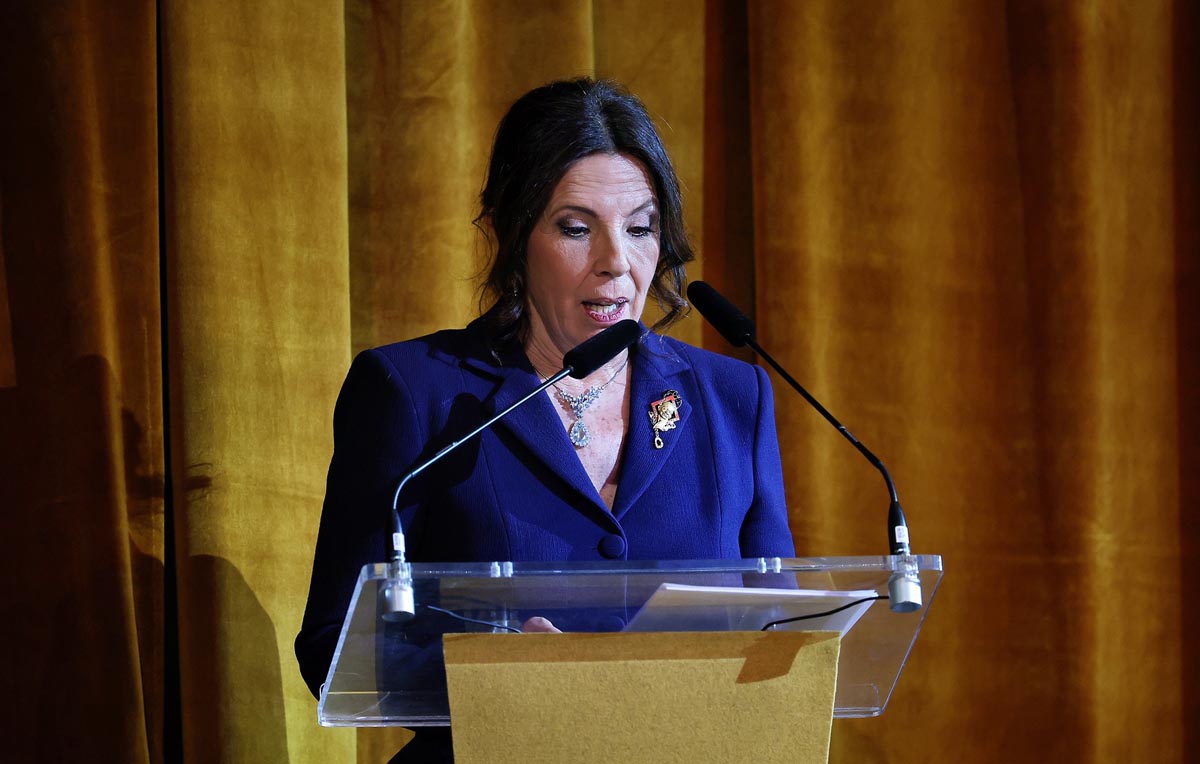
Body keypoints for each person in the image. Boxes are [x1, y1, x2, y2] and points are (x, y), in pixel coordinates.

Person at [295, 77, 795, 762]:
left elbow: (786, 641)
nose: (616, 262)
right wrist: (502, 678)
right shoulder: (416, 393)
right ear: (510, 233)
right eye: (575, 228)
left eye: (641, 228)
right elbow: (333, 642)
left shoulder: (732, 397)